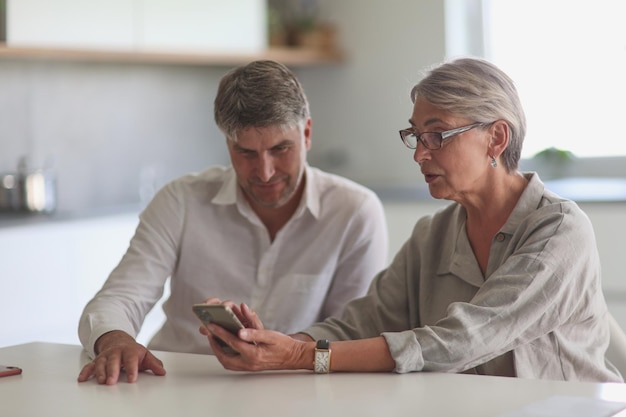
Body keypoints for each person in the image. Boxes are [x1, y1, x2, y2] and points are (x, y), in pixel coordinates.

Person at [201, 57, 623, 382]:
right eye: (416, 136)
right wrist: (272, 345)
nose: (420, 154)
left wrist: (297, 357)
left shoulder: (560, 230)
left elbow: (464, 338)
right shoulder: (433, 234)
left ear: (496, 137)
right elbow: (360, 322)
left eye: (436, 135)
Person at [77, 60, 389, 385]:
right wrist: (116, 340)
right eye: (246, 153)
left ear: (307, 133)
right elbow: (120, 297)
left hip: (294, 394)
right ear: (227, 144)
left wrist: (280, 351)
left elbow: (353, 334)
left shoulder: (355, 212)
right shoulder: (181, 201)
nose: (265, 172)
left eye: (280, 149)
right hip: (178, 388)